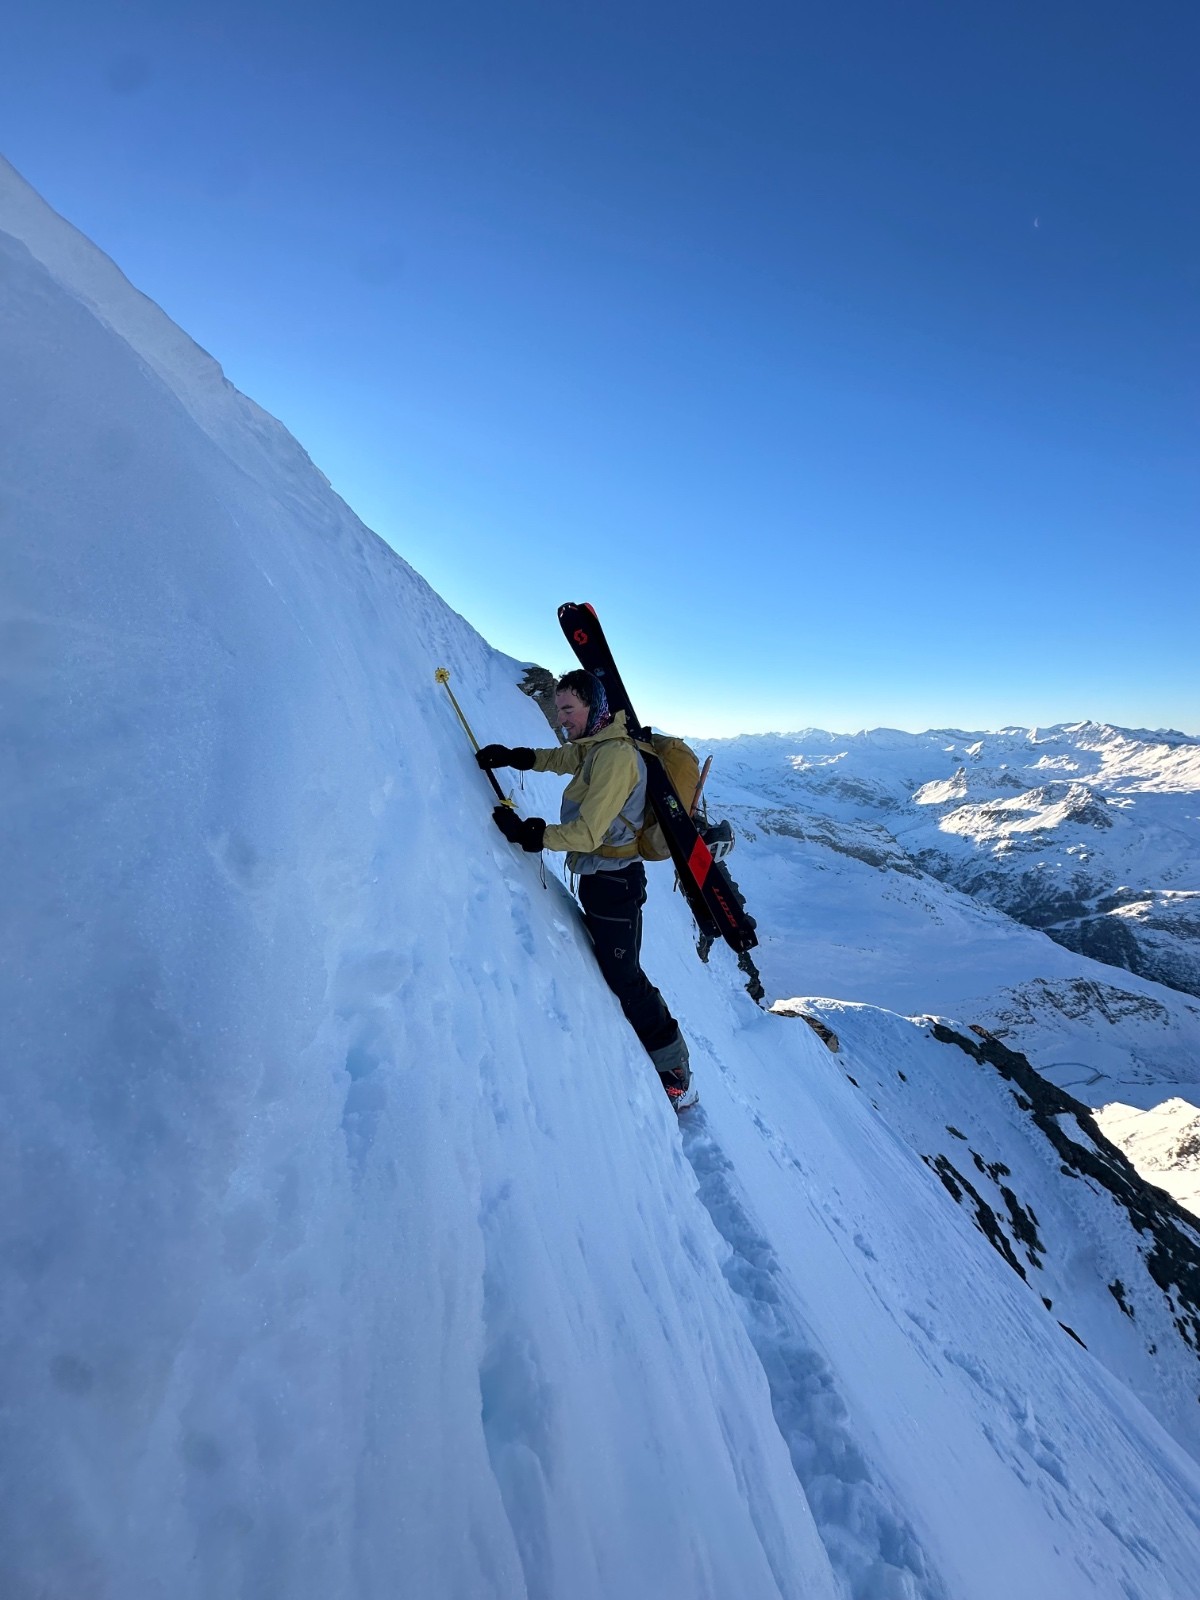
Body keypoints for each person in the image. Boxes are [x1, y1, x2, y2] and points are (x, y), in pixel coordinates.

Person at [476, 670, 695, 1110]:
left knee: (625, 976)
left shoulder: (615, 756)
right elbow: (564, 759)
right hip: (603, 879)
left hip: (616, 883)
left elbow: (588, 832)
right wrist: (518, 757)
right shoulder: (598, 745)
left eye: (568, 709)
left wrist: (531, 833)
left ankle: (675, 1071)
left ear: (593, 708)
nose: (561, 719)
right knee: (616, 968)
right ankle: (662, 1058)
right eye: (559, 709)